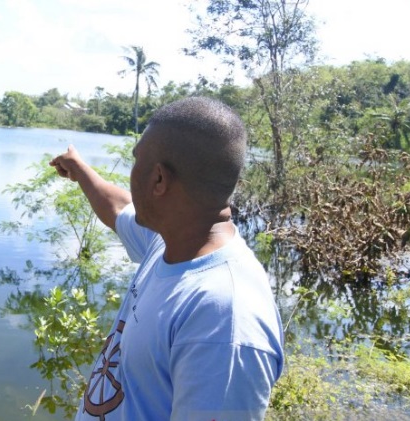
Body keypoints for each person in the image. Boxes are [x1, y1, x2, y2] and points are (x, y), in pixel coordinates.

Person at [49, 97, 284, 421]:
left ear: (158, 180)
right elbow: (118, 208)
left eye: (135, 162)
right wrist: (80, 169)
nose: (131, 175)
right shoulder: (169, 241)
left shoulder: (225, 321)